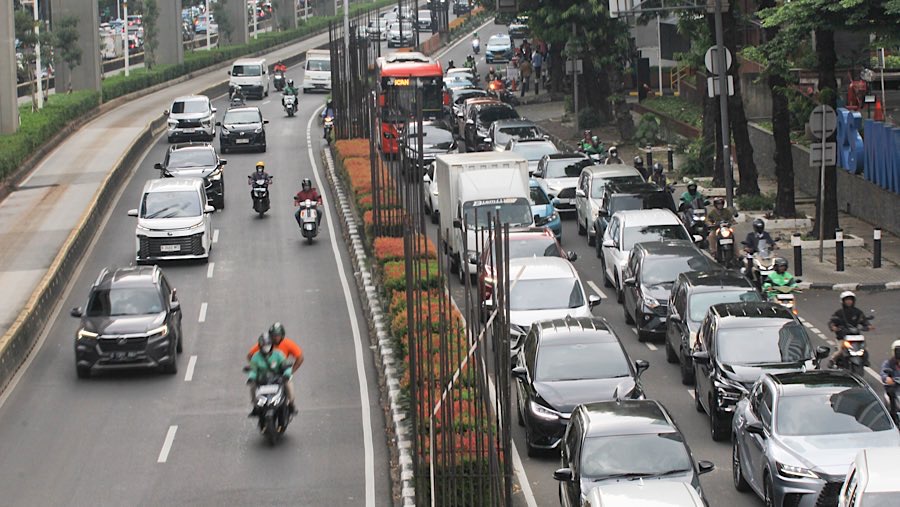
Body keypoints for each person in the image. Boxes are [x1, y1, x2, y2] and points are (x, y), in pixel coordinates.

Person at [247, 322, 304, 413]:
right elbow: (251, 356)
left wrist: (290, 371)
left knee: (288, 383)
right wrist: (255, 368)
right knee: (253, 386)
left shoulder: (282, 351)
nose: (275, 337)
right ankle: (256, 405)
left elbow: (299, 357)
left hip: (281, 371)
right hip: (264, 374)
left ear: (282, 335)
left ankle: (291, 404)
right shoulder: (264, 344)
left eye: (277, 335)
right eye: (273, 335)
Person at [880, 340, 900, 423]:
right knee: (891, 395)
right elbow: (883, 373)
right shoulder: (888, 363)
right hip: (894, 389)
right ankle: (893, 420)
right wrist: (887, 378)